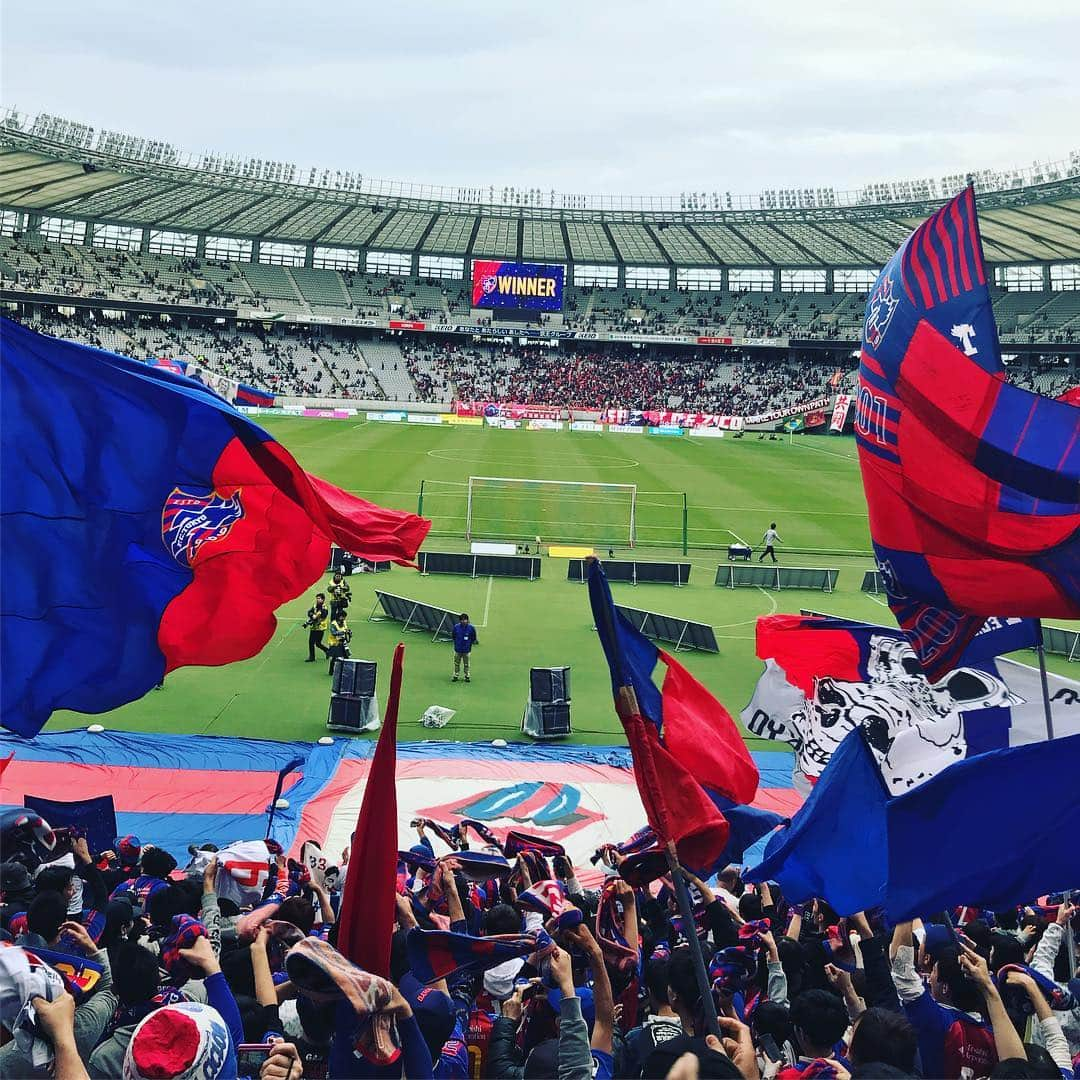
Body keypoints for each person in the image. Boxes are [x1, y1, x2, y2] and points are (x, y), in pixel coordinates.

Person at [303, 593, 330, 663]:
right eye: (317, 598)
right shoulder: (315, 605)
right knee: (312, 642)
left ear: (323, 599)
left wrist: (315, 617)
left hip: (320, 627)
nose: (317, 600)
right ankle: (313, 656)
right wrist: (312, 616)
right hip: (314, 627)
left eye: (319, 598)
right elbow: (309, 612)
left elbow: (323, 616)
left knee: (317, 643)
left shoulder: (324, 608)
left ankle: (326, 651)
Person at [326, 603, 351, 674]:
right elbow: (333, 633)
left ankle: (347, 670)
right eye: (343, 617)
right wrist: (342, 632)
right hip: (335, 643)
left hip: (343, 642)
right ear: (339, 617)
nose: (344, 618)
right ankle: (331, 671)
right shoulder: (333, 624)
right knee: (334, 658)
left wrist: (348, 632)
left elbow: (346, 629)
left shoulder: (344, 622)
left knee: (346, 656)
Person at [452, 613, 477, 683]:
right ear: (460, 621)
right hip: (458, 649)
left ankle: (467, 675)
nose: (464, 621)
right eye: (462, 620)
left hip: (466, 650)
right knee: (456, 663)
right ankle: (456, 675)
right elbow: (453, 636)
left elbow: (473, 638)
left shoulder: (471, 628)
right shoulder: (456, 627)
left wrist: (469, 644)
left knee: (466, 664)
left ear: (467, 620)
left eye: (465, 620)